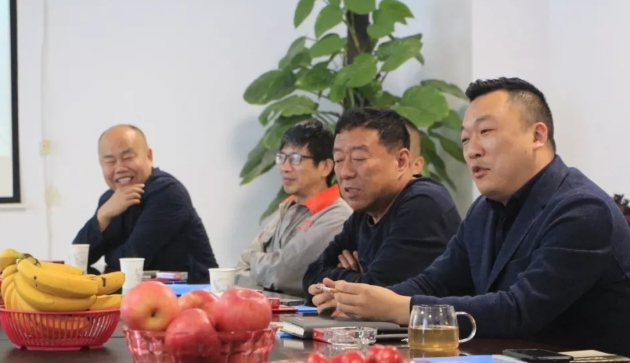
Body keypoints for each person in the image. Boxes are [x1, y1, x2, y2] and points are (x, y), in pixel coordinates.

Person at [310, 77, 630, 355]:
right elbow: (436, 281)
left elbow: (520, 310)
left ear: (537, 136)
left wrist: (398, 307)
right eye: (465, 138)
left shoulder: (582, 210)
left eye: (485, 131)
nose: (471, 150)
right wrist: (360, 301)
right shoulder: (484, 209)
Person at [301, 107, 462, 303]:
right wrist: (357, 280)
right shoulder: (365, 210)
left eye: (359, 159)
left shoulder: (424, 204)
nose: (345, 173)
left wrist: (349, 280)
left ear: (401, 161)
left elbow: (376, 296)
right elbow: (311, 277)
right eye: (339, 160)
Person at [73, 124, 218, 283]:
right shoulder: (110, 201)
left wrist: (108, 255)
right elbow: (78, 261)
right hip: (138, 293)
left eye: (127, 157)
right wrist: (102, 216)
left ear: (149, 156)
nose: (119, 168)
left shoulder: (167, 192)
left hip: (190, 291)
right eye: (110, 161)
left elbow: (132, 260)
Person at [235, 120, 352, 296]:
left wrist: (253, 262)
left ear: (325, 167)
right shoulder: (289, 207)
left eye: (295, 159)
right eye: (281, 158)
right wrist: (261, 268)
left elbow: (281, 275)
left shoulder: (337, 217)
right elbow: (240, 268)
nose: (285, 168)